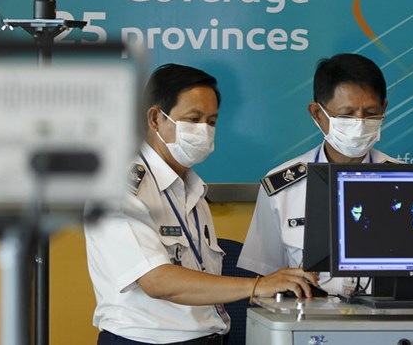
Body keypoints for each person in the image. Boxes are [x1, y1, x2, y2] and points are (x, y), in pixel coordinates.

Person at [84, 63, 318, 345]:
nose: (204, 131)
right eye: (193, 119)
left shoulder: (192, 188)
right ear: (155, 118)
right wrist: (256, 286)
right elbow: (156, 281)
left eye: (211, 121)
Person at [237, 53, 398, 295]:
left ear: (384, 109)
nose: (360, 123)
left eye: (371, 113)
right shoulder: (282, 188)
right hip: (308, 321)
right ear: (317, 114)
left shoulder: (406, 180)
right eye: (346, 114)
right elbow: (265, 279)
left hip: (389, 321)